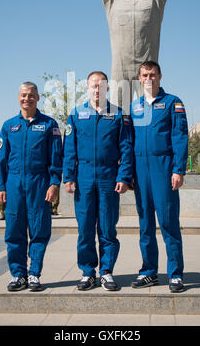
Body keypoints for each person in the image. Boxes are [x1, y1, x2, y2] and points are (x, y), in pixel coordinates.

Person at [63, 71, 134, 291]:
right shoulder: (76, 114)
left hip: (108, 176)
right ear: (87, 88)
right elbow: (69, 149)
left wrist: (124, 176)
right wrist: (68, 176)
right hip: (84, 176)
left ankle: (106, 271)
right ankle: (87, 272)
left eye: (101, 86)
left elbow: (126, 147)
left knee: (107, 227)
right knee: (85, 227)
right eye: (93, 86)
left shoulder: (119, 115)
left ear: (107, 89)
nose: (97, 90)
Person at [0, 81, 62, 292]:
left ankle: (34, 274)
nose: (27, 99)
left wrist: (54, 183)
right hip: (14, 183)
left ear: (38, 98)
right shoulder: (8, 126)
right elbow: (1, 159)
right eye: (24, 95)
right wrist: (1, 186)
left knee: (39, 231)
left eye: (31, 95)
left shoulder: (50, 125)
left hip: (39, 183)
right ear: (18, 97)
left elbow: (56, 157)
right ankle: (18, 275)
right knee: (14, 232)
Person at [130, 61, 188, 292]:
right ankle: (149, 272)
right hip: (140, 171)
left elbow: (180, 137)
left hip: (163, 169)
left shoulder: (173, 103)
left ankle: (175, 274)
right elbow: (128, 141)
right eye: (145, 75)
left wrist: (178, 169)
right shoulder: (135, 106)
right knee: (145, 225)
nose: (149, 78)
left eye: (152, 74)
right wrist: (128, 173)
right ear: (139, 77)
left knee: (168, 222)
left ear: (160, 75)